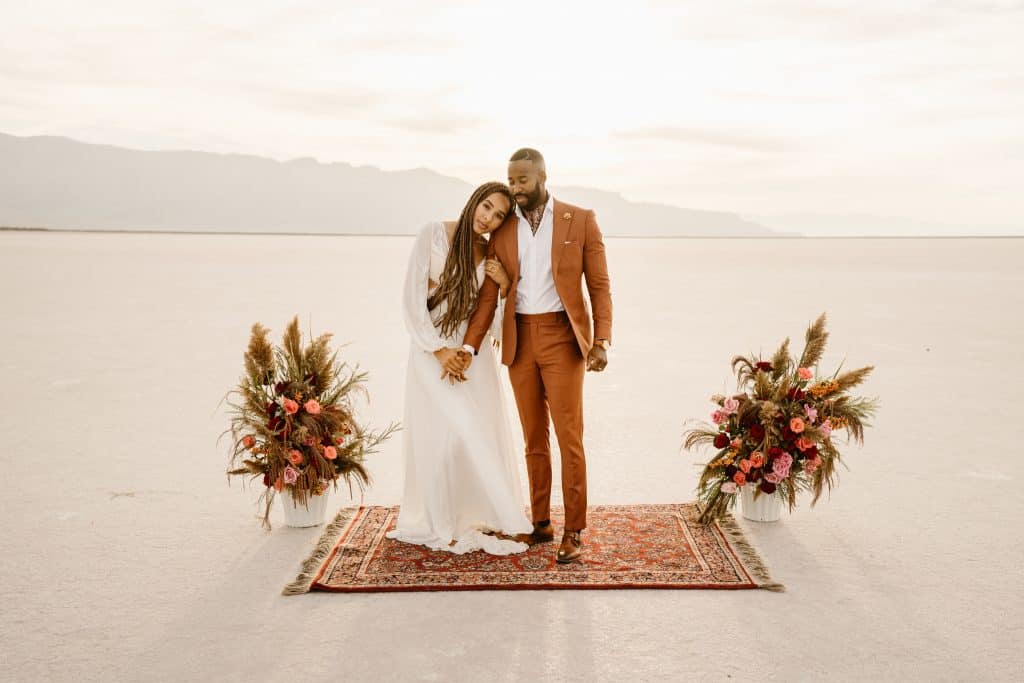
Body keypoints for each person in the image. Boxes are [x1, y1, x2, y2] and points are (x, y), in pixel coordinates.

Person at [461, 148, 613, 564]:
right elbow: (489, 296)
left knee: (570, 438)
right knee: (533, 439)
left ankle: (575, 531)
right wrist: (469, 347)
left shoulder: (580, 219)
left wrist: (601, 340)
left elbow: (599, 285)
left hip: (563, 339)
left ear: (543, 176)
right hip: (519, 340)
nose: (515, 188)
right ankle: (542, 524)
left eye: (522, 181)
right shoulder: (503, 229)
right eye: (511, 181)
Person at [387, 181, 533, 555]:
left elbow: (491, 319)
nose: (489, 218)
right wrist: (438, 351)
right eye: (486, 207)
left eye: (499, 215)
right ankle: (439, 520)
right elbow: (411, 299)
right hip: (430, 348)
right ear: (474, 202)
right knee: (437, 434)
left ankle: (490, 513)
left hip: (471, 354)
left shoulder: (492, 253)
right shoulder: (432, 233)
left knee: (473, 432)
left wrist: (502, 287)